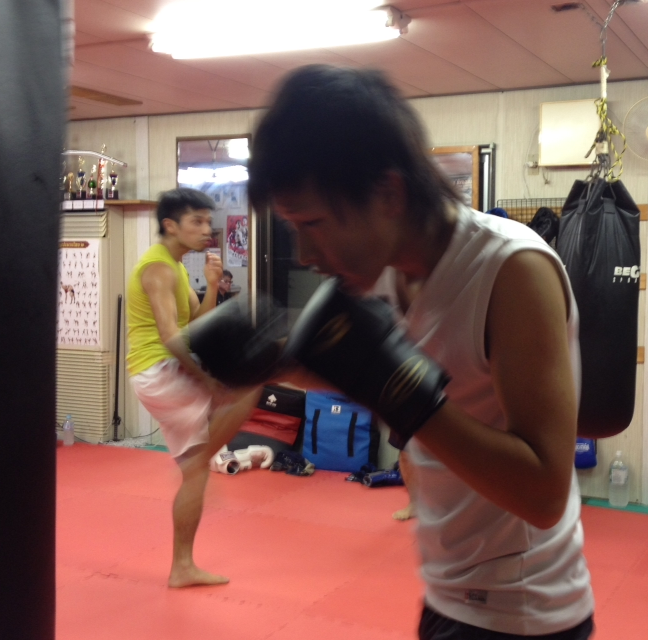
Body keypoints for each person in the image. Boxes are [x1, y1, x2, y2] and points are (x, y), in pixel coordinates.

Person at [249, 66, 594, 639]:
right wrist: (256, 363)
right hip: (446, 590)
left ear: (388, 193)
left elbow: (544, 494)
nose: (305, 253)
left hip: (525, 612)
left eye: (313, 223)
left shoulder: (511, 272)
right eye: (291, 227)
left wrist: (400, 393)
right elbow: (363, 371)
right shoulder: (382, 274)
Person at [126, 188, 260, 588]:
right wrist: (207, 382)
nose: (207, 229)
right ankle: (206, 454)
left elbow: (195, 323)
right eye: (197, 221)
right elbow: (171, 337)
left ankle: (182, 567)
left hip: (160, 371)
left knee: (194, 473)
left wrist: (213, 285)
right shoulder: (158, 269)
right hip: (158, 370)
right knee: (252, 382)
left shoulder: (178, 266)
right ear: (171, 225)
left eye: (208, 221)